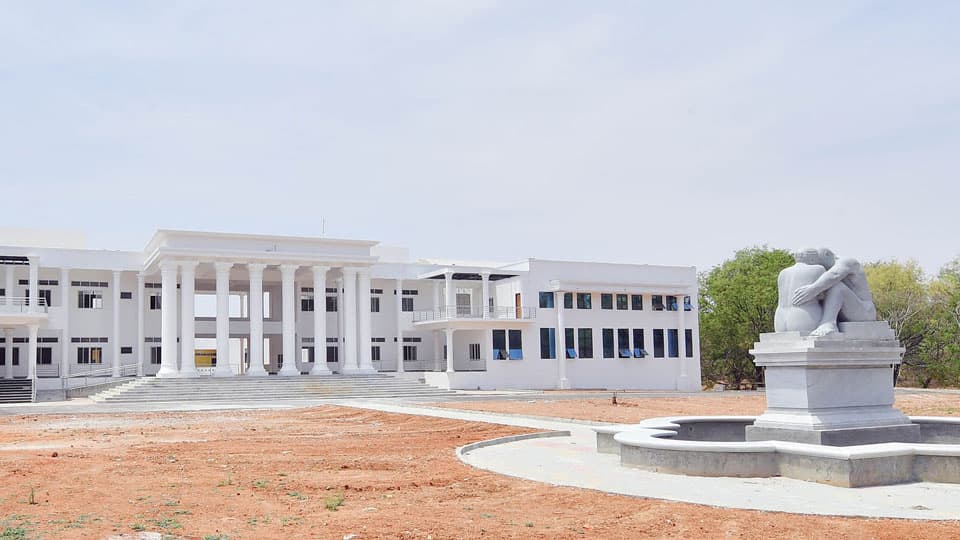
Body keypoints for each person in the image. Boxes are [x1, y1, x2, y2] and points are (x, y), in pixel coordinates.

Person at [791, 248, 876, 337]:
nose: (818, 266)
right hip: (845, 312)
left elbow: (835, 275)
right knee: (823, 287)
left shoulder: (848, 261)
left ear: (827, 254)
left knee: (836, 286)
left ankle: (828, 323)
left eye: (818, 262)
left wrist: (812, 289)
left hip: (865, 311)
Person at [774, 248, 826, 334]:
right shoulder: (818, 269)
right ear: (812, 258)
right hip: (804, 319)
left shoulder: (783, 273)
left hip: (780, 320)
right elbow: (823, 296)